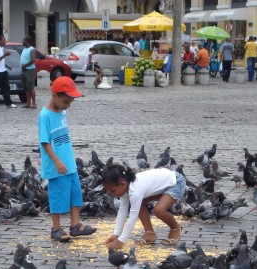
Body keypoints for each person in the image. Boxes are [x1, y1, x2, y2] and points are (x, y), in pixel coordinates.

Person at [38, 77, 97, 242]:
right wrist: (55, 161)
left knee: (75, 193)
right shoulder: (45, 115)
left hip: (68, 162)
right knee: (58, 196)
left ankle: (75, 225)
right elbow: (44, 141)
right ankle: (56, 228)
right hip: (57, 166)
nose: (68, 105)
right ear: (54, 95)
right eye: (66, 101)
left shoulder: (62, 111)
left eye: (70, 102)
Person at [102, 164, 186, 249]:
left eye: (113, 191)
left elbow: (132, 218)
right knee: (139, 203)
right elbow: (122, 211)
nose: (112, 194)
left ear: (122, 184)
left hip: (175, 182)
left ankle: (176, 228)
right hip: (164, 184)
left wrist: (122, 240)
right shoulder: (126, 188)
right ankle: (150, 233)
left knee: (159, 210)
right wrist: (116, 234)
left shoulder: (135, 191)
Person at [20, 36, 36, 109]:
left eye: (24, 40)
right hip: (24, 70)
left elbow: (33, 60)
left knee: (31, 87)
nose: (22, 42)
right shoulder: (24, 49)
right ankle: (28, 103)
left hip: (29, 70)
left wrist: (25, 65)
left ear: (28, 41)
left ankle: (34, 103)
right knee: (26, 88)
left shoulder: (32, 49)